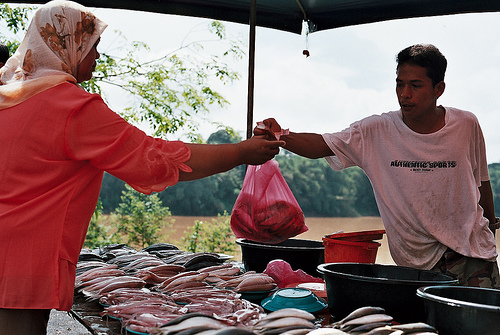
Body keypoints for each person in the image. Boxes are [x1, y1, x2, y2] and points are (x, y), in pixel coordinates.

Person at [0, 1, 284, 333]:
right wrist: (240, 152)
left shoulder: (11, 97)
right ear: (68, 46)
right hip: (21, 267)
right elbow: (155, 159)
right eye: (93, 47)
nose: (97, 57)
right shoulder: (71, 107)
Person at [255, 44, 499, 289]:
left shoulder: (466, 125)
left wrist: (489, 226)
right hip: (414, 266)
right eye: (399, 84)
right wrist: (279, 134)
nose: (404, 94)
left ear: (439, 89)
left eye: (415, 85)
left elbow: (482, 181)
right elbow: (321, 144)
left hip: (472, 257)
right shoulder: (376, 131)